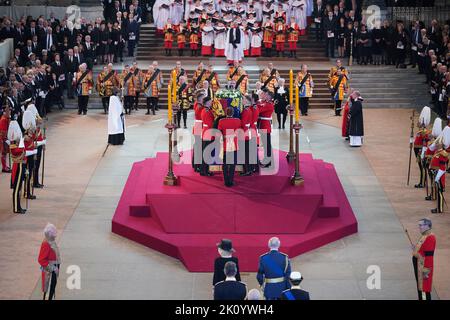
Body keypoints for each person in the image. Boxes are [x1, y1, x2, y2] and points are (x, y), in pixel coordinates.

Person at [8, 120, 33, 214]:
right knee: (16, 188)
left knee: (19, 188)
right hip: (17, 166)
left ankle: (18, 206)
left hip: (21, 165)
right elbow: (17, 151)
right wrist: (22, 147)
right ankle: (16, 208)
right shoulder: (13, 144)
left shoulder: (17, 143)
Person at [412, 218, 436, 300]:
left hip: (423, 268)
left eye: (420, 225)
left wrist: (426, 271)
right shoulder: (424, 235)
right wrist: (415, 248)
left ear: (427, 226)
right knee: (421, 288)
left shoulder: (430, 238)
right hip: (419, 266)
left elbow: (429, 256)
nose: (419, 227)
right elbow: (422, 249)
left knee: (424, 290)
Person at [218, 107, 241, 187]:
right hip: (233, 143)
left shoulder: (221, 121)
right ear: (233, 113)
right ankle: (231, 180)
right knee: (232, 164)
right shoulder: (237, 121)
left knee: (224, 163)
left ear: (225, 113)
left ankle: (225, 180)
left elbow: (220, 132)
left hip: (225, 143)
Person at [38, 223, 61, 300]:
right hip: (49, 272)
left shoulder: (51, 241)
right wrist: (52, 268)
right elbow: (41, 259)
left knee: (52, 288)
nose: (55, 236)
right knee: (48, 290)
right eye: (54, 235)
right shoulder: (46, 244)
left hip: (54, 270)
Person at [413, 106, 431, 189]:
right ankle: (422, 181)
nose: (418, 123)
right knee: (420, 166)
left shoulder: (424, 131)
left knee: (422, 166)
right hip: (417, 148)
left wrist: (421, 151)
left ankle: (422, 182)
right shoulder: (421, 130)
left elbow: (424, 142)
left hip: (420, 150)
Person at [258, 91, 274, 168]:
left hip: (265, 125)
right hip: (263, 124)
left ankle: (268, 161)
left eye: (266, 95)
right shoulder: (265, 102)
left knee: (266, 145)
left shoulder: (269, 105)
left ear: (269, 97)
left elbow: (259, 110)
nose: (264, 95)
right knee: (265, 144)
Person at [0, 105, 11, 173]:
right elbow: (3, 131)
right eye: (8, 111)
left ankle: (5, 166)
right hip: (3, 138)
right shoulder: (3, 119)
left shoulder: (6, 118)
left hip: (5, 138)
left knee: (5, 152)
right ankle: (4, 167)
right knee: (3, 153)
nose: (9, 113)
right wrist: (6, 139)